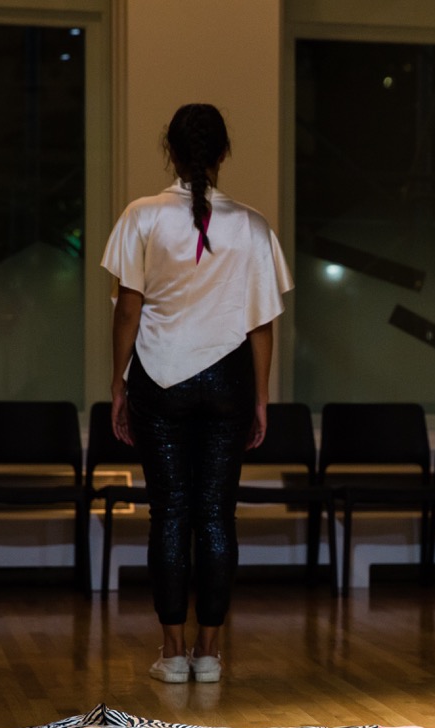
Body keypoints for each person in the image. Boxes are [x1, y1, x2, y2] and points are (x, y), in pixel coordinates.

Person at [102, 103, 292, 684]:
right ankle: (209, 656)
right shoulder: (255, 227)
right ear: (223, 153)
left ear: (172, 152)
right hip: (229, 384)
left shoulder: (141, 217)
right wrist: (259, 399)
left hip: (158, 382)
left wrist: (119, 381)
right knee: (215, 515)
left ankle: (172, 652)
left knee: (170, 515)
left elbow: (129, 310)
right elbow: (262, 326)